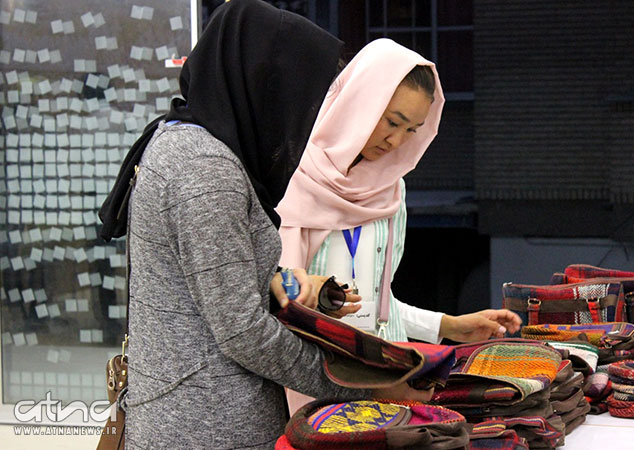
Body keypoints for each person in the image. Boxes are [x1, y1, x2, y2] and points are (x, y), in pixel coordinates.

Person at [98, 3, 430, 449]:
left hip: (197, 417)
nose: (305, 112)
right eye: (299, 92)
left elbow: (211, 285)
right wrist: (365, 388)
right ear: (262, 85)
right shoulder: (205, 170)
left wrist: (287, 284)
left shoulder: (185, 143)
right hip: (206, 428)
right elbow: (242, 331)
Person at [277, 38, 522, 346]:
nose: (396, 141)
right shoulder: (292, 175)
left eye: (411, 130)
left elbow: (376, 304)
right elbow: (275, 299)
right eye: (392, 122)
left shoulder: (392, 189)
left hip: (383, 363)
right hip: (315, 365)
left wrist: (449, 326)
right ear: (357, 102)